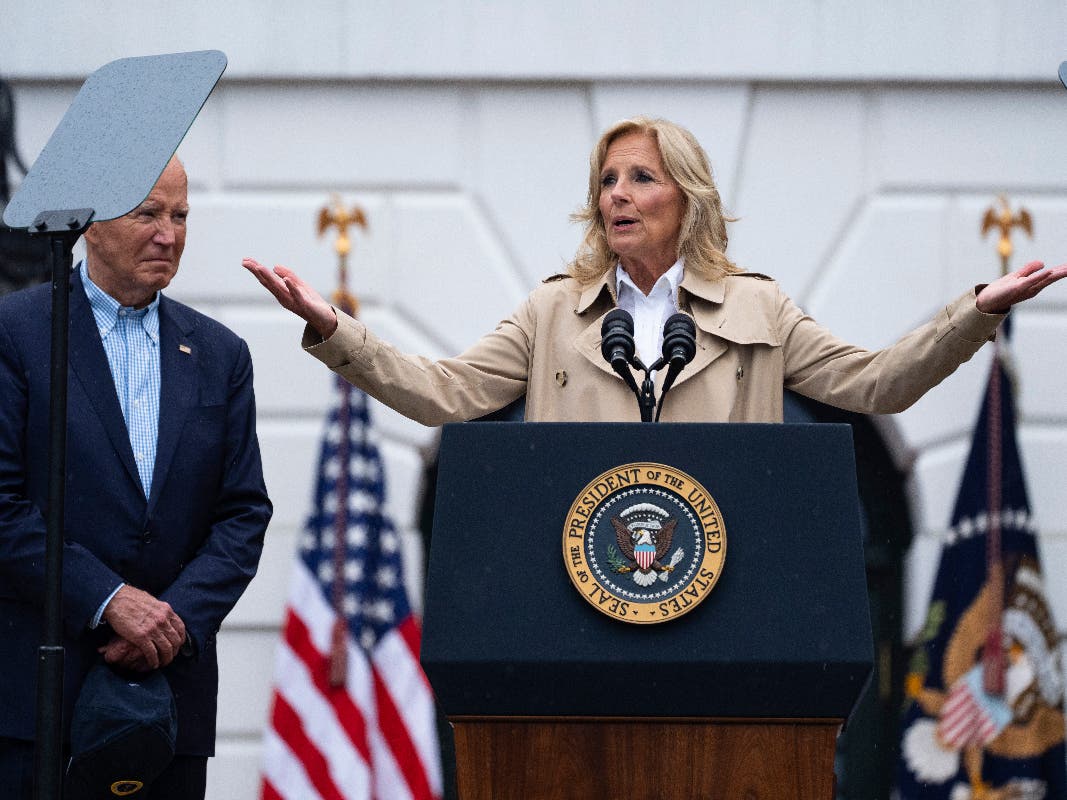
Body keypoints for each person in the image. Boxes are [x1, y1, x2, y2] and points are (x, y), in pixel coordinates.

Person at [242, 116, 1067, 424]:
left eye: (640, 177)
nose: (617, 196)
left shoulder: (758, 310)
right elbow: (444, 393)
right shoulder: (553, 313)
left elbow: (877, 385)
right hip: (576, 585)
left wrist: (976, 311)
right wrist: (331, 329)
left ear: (688, 196)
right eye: (606, 180)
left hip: (722, 590)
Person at [0, 157, 273, 799]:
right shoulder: (19, 333)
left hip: (166, 710)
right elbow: (4, 507)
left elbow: (243, 514)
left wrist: (171, 621)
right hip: (42, 709)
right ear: (88, 225)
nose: (168, 234)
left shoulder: (220, 355)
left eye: (180, 216)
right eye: (148, 213)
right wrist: (107, 600)